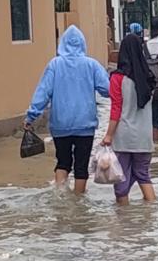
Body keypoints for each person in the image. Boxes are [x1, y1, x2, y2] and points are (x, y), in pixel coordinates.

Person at [25, 25, 110, 194]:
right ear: (83, 44)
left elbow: (43, 92)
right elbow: (107, 90)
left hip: (60, 125)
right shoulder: (91, 65)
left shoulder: (54, 65)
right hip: (85, 125)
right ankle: (79, 202)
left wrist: (31, 116)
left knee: (62, 161)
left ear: (62, 44)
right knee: (81, 164)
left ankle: (61, 197)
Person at [102, 34, 157, 205]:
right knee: (143, 175)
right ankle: (151, 214)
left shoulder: (117, 79)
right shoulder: (149, 79)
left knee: (120, 181)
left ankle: (125, 220)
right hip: (144, 137)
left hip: (124, 137)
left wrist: (108, 135)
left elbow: (116, 109)